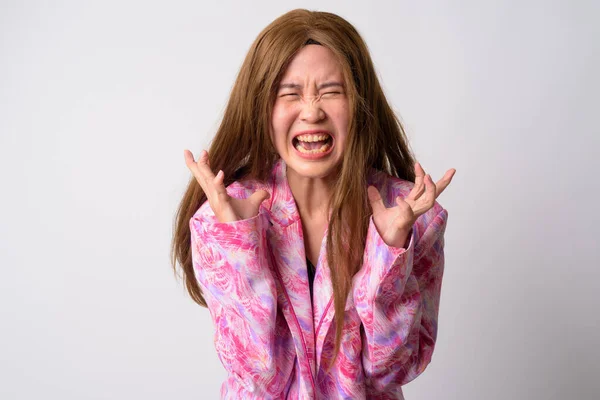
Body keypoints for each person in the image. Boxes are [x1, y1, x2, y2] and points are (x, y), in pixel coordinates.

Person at [171, 8, 456, 399]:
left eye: (331, 91)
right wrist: (240, 244)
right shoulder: (222, 217)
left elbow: (393, 370)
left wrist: (387, 255)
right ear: (261, 108)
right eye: (289, 93)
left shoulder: (413, 217)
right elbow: (256, 373)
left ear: (360, 104)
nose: (311, 111)